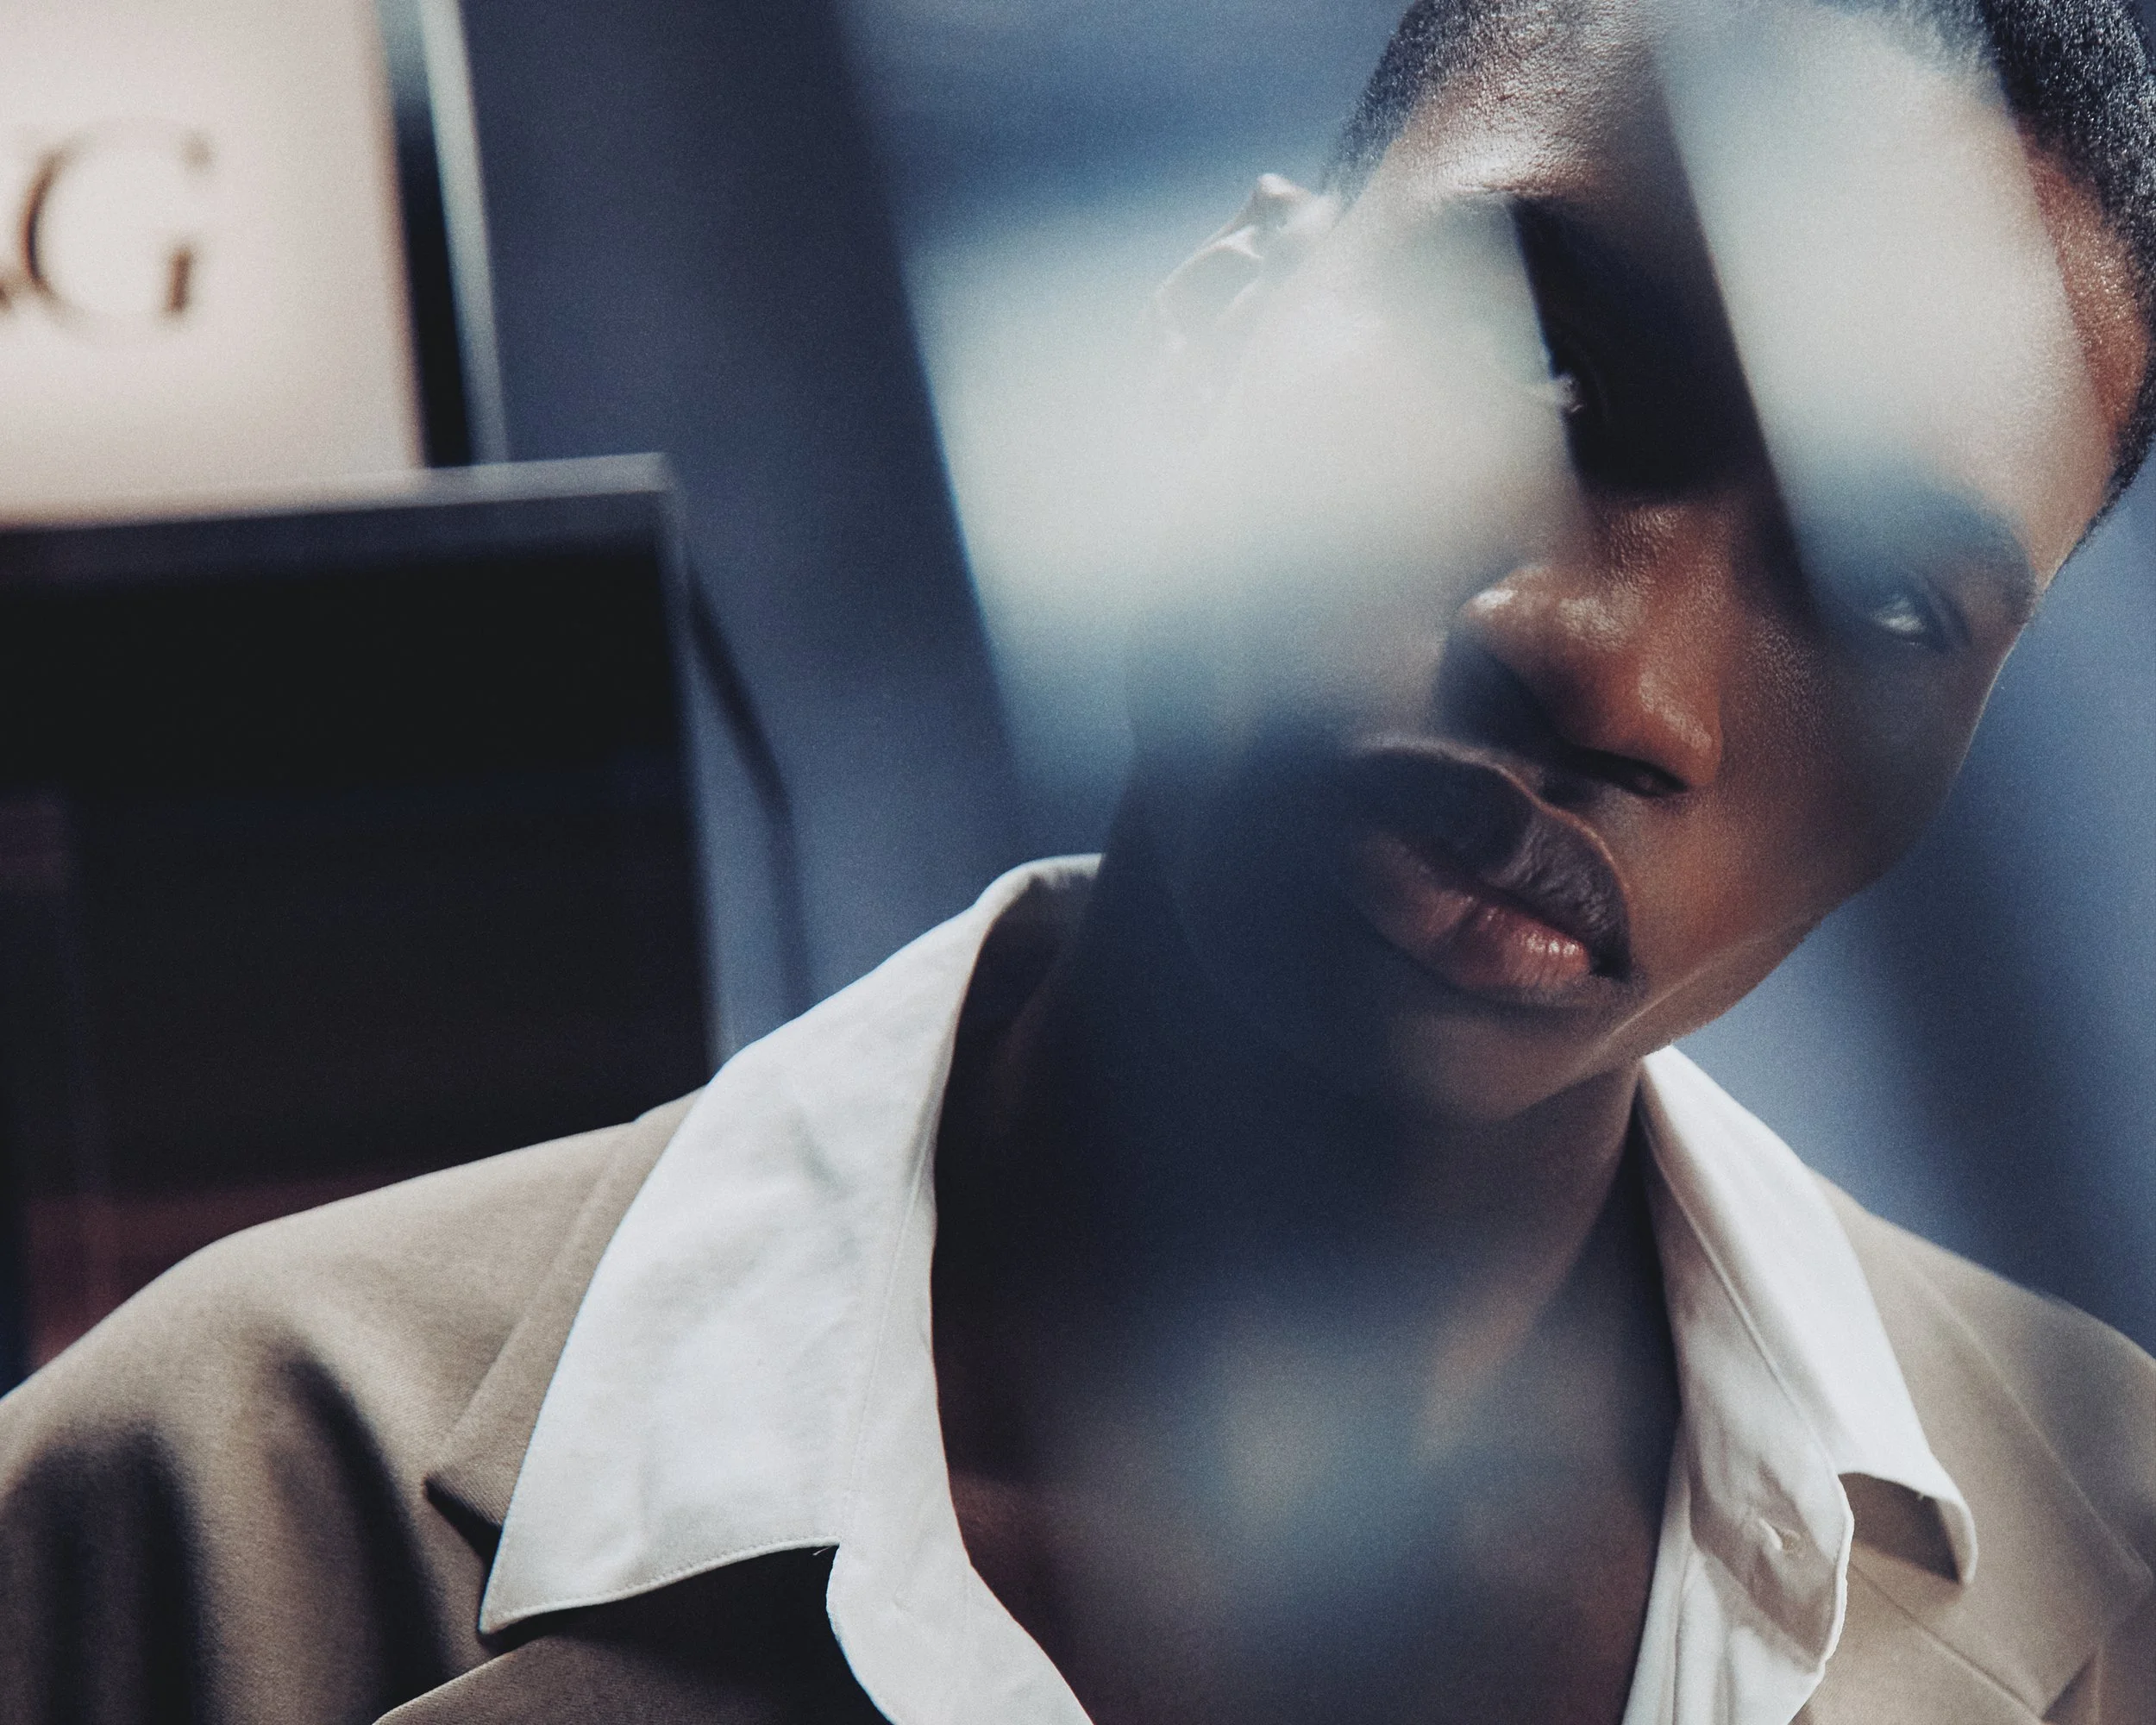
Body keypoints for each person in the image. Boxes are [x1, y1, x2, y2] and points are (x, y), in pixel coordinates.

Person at [8, 0, 2156, 1719]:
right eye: (1546, 359)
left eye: (1881, 605)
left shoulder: (2123, 1573)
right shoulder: (204, 1503)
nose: (1614, 678)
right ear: (1216, 320)